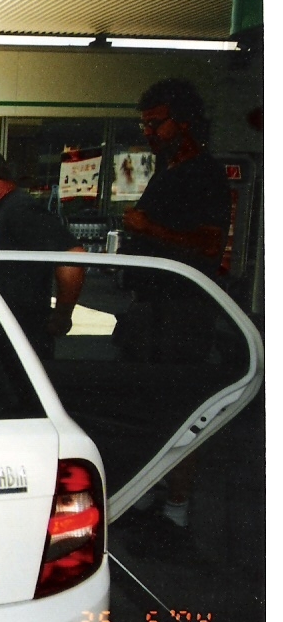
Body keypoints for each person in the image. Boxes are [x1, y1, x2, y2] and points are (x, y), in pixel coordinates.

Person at [117, 79, 232, 547]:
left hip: (183, 312)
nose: (149, 132)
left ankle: (176, 512)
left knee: (181, 407)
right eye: (144, 124)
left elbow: (208, 245)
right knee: (147, 405)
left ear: (184, 122)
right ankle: (150, 494)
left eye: (156, 123)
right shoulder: (168, 170)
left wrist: (149, 228)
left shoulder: (204, 174)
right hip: (152, 308)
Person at [0, 142, 85, 359]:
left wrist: (62, 315)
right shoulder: (0, 214)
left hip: (22, 343)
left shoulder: (21, 210)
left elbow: (73, 255)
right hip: (3, 340)